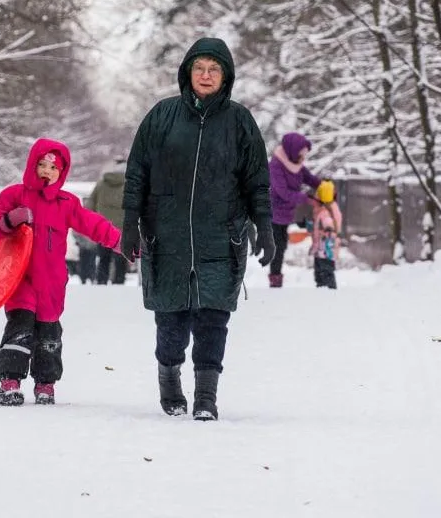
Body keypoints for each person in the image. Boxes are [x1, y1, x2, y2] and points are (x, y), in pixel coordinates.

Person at [120, 37, 271, 421]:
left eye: (214, 69)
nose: (206, 75)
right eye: (199, 68)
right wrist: (129, 223)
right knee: (171, 319)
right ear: (188, 72)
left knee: (213, 318)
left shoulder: (240, 122)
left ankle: (206, 395)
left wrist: (265, 226)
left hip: (221, 236)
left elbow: (257, 181)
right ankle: (169, 379)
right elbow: (137, 173)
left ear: (226, 76)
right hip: (166, 235)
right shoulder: (161, 116)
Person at [0, 137, 123, 406]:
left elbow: (92, 224)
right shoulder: (14, 195)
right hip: (20, 278)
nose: (47, 171)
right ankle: (10, 381)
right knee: (20, 328)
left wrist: (121, 242)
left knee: (49, 334)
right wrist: (11, 219)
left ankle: (45, 383)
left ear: (61, 173)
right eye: (42, 164)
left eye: (54, 168)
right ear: (32, 165)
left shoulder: (66, 202)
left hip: (51, 283)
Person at [267, 132, 323, 288]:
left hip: (287, 211)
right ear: (292, 150)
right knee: (278, 246)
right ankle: (275, 280)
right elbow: (283, 192)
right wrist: (308, 199)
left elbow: (309, 178)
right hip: (274, 211)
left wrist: (323, 186)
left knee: (281, 244)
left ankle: (276, 277)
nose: (302, 158)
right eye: (301, 154)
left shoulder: (295, 163)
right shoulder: (276, 166)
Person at [87, 157, 129, 285]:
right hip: (122, 228)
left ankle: (101, 282)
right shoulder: (129, 184)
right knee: (121, 260)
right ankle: (119, 283)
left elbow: (90, 204)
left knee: (104, 258)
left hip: (103, 227)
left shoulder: (101, 184)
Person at [309, 180, 342, 289]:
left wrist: (328, 229)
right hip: (323, 248)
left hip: (325, 248)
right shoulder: (329, 208)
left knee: (325, 273)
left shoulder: (326, 210)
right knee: (320, 273)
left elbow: (328, 224)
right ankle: (323, 290)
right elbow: (317, 227)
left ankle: (328, 293)